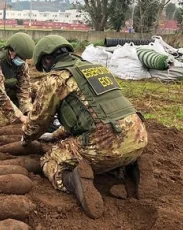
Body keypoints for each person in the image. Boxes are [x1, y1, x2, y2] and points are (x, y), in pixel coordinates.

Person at [21, 35, 148, 219]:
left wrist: (26, 136)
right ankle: (133, 165)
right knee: (114, 148)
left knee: (50, 160)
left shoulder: (56, 78)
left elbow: (38, 120)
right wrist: (57, 134)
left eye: (44, 66)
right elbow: (95, 113)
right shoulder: (97, 68)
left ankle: (72, 181)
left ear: (47, 59)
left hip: (105, 144)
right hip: (139, 135)